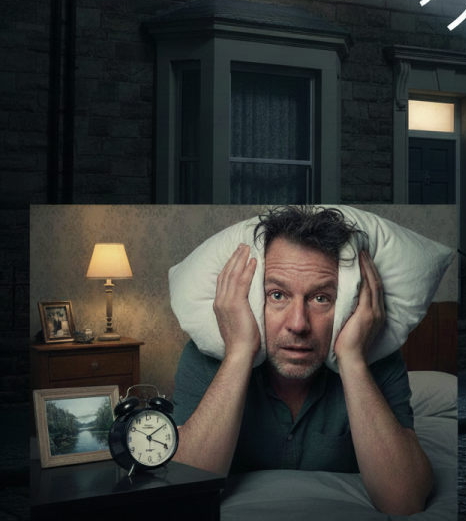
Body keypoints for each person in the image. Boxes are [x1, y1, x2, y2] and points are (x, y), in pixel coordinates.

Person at [172, 206, 433, 516]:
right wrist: (239, 353)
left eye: (321, 298)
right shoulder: (206, 358)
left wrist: (353, 360)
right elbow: (182, 491)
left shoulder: (379, 361)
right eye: (277, 295)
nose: (298, 324)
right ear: (253, 298)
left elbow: (404, 501)